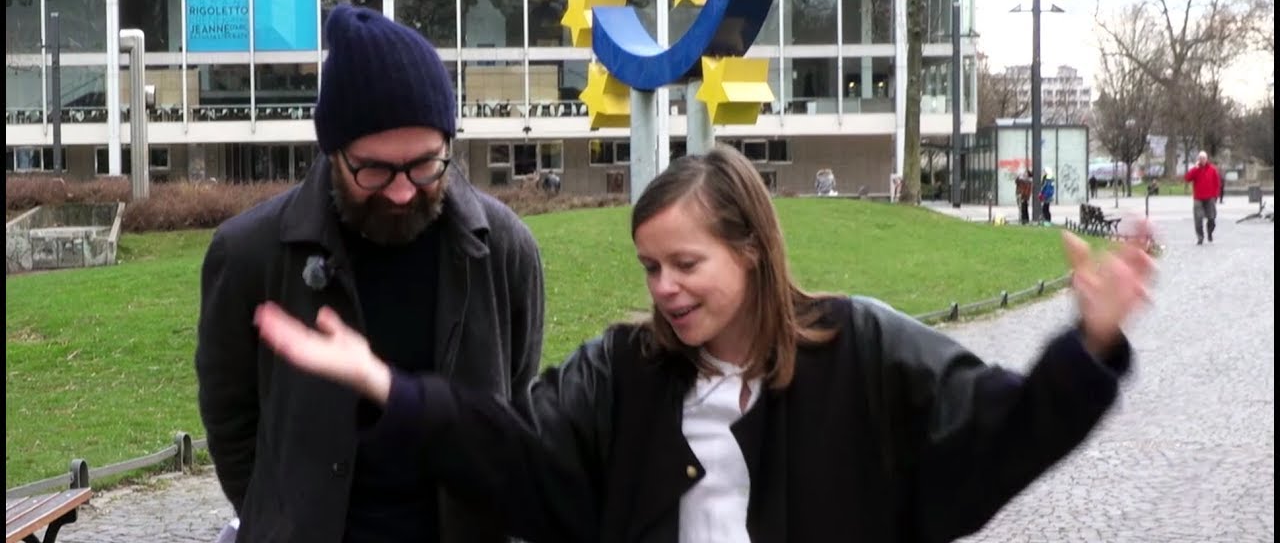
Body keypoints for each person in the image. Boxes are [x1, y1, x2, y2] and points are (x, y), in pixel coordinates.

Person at [255, 144, 1155, 543]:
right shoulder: (624, 371)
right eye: (650, 268)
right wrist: (390, 387)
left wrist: (1089, 344)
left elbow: (999, 433)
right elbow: (515, 453)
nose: (664, 289)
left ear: (752, 249)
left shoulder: (862, 347)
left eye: (686, 264)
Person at [196, 3, 547, 543]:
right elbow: (230, 420)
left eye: (425, 164)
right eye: (375, 170)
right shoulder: (249, 255)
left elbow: (515, 408)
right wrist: (282, 521)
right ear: (332, 152)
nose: (403, 191)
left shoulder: (505, 250)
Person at [1184, 150, 1222, 244]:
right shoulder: (1196, 169)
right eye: (1200, 158)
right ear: (1198, 159)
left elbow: (1217, 183)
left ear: (1206, 159)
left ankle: (1210, 233)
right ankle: (1200, 237)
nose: (1202, 160)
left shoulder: (1212, 169)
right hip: (1198, 197)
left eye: (1204, 158)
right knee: (1198, 218)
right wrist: (1195, 168)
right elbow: (1187, 178)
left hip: (1210, 197)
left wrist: (1216, 195)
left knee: (1212, 218)